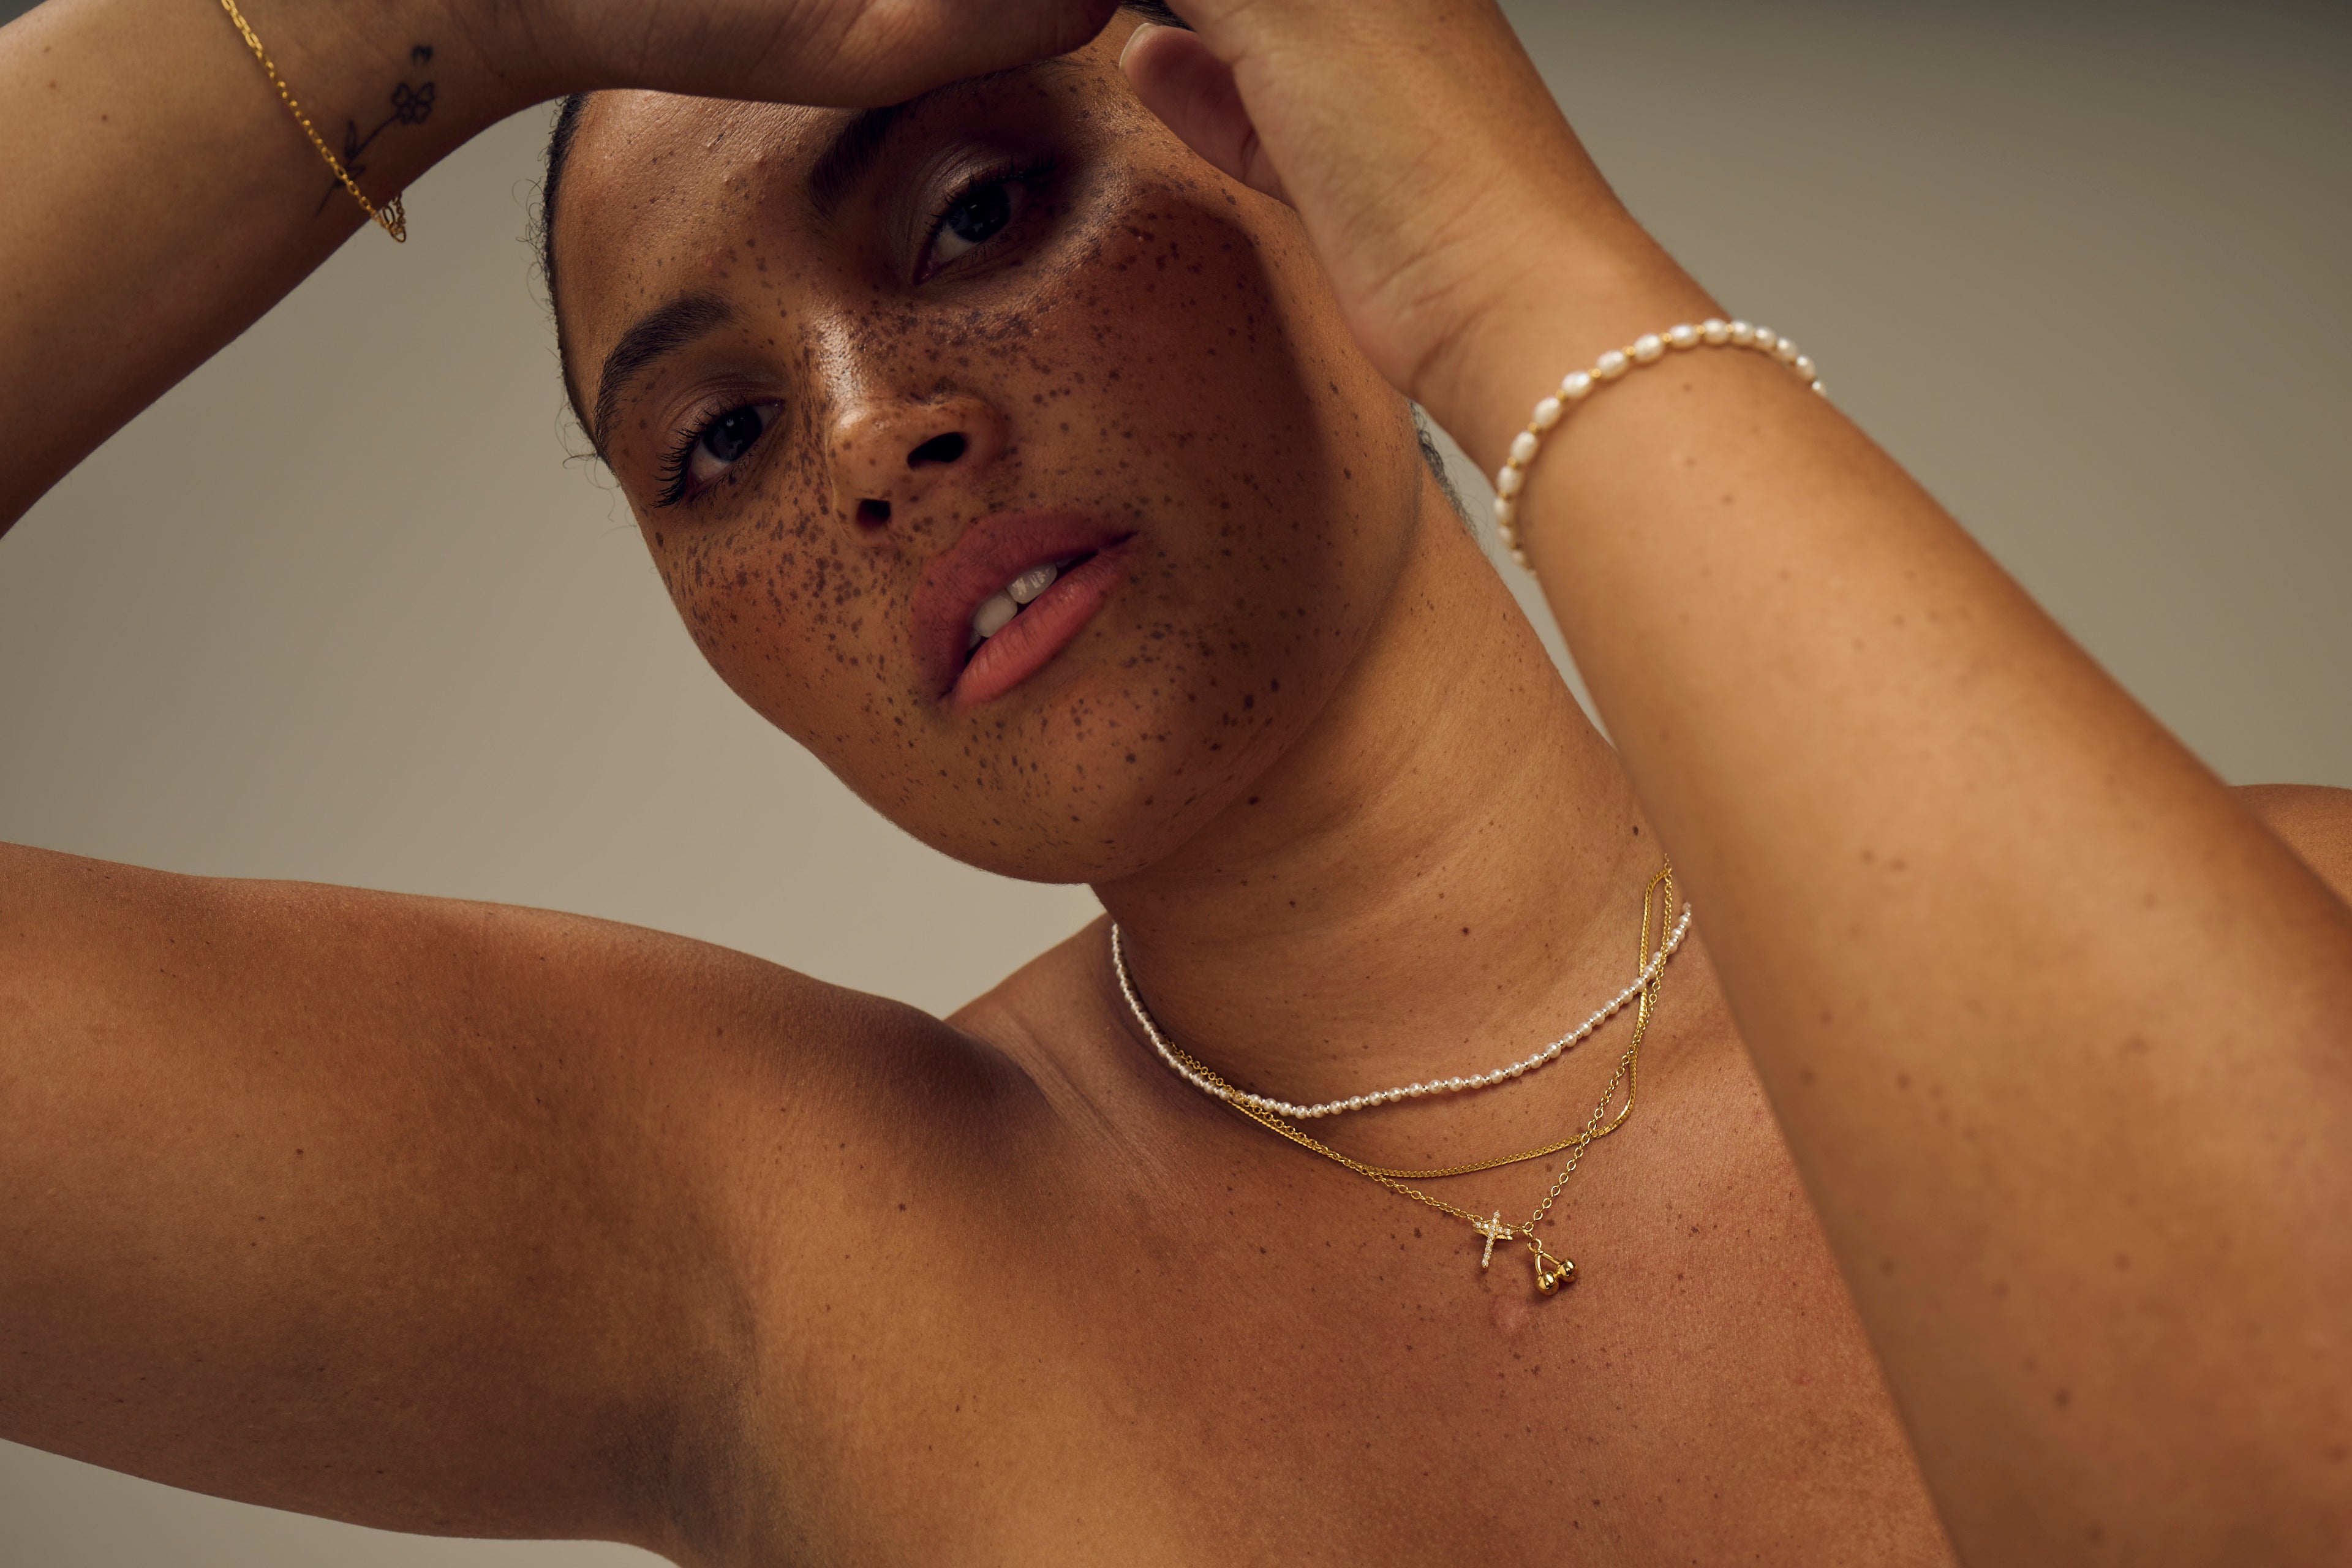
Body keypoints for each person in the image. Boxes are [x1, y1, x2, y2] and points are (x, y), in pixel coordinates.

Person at [3, 0, 2347, 1561]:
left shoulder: (2296, 945)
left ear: (1290, 144)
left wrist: (1518, 267)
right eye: (713, 443)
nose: (865, 443)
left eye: (979, 212)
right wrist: (413, 6)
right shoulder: (786, 1254)